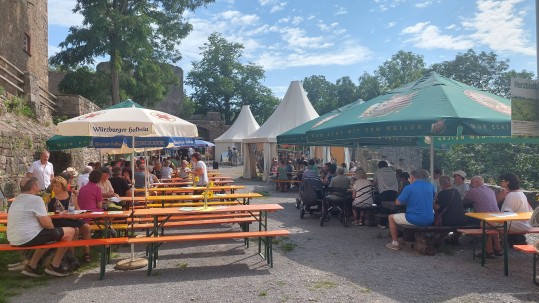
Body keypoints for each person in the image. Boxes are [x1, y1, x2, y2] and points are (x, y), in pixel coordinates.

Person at [7, 177, 76, 277]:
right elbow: (47, 224)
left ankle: (31, 266)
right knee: (71, 231)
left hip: (13, 239)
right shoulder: (36, 199)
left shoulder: (16, 200)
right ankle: (55, 266)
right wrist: (52, 227)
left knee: (47, 237)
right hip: (28, 238)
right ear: (34, 187)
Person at [386, 169, 435, 251]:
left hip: (415, 219)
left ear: (411, 177)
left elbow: (398, 202)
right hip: (430, 219)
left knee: (391, 217)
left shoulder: (409, 187)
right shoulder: (430, 185)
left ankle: (395, 243)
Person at [48, 176, 92, 262]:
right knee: (75, 230)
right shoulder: (51, 198)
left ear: (63, 186)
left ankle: (87, 253)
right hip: (58, 220)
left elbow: (77, 208)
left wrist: (79, 213)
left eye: (57, 186)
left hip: (71, 218)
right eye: (53, 186)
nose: (54, 188)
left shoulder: (70, 195)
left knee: (86, 227)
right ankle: (71, 256)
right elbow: (48, 212)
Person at [462, 175, 502, 257]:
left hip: (485, 218)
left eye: (471, 183)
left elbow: (464, 200)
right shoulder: (491, 190)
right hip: (498, 217)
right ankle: (498, 249)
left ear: (476, 182)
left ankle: (489, 251)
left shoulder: (473, 191)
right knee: (491, 225)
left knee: (466, 218)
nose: (470, 184)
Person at [373, 160, 399, 228]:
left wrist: (374, 186)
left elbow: (374, 183)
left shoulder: (377, 172)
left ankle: (383, 224)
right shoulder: (392, 171)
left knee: (383, 207)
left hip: (384, 191)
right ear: (386, 165)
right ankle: (394, 223)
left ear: (379, 166)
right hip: (394, 190)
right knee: (393, 207)